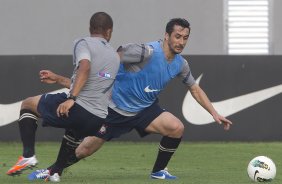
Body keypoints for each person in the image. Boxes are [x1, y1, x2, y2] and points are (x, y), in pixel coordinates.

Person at [30, 18, 232, 181]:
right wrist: (61, 80)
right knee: (84, 150)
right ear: (166, 35)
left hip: (145, 110)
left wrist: (214, 113)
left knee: (176, 128)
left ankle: (158, 171)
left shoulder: (181, 64)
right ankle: (52, 171)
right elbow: (107, 63)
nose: (181, 41)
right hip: (113, 110)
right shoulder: (145, 52)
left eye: (185, 38)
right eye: (177, 36)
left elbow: (194, 89)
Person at [6, 12, 120, 182]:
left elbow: (85, 67)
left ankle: (28, 156)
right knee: (74, 131)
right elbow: (92, 83)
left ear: (90, 28)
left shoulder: (83, 43)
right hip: (97, 119)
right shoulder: (114, 56)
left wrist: (71, 98)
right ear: (109, 31)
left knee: (28, 104)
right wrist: (58, 79)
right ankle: (55, 172)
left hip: (79, 107)